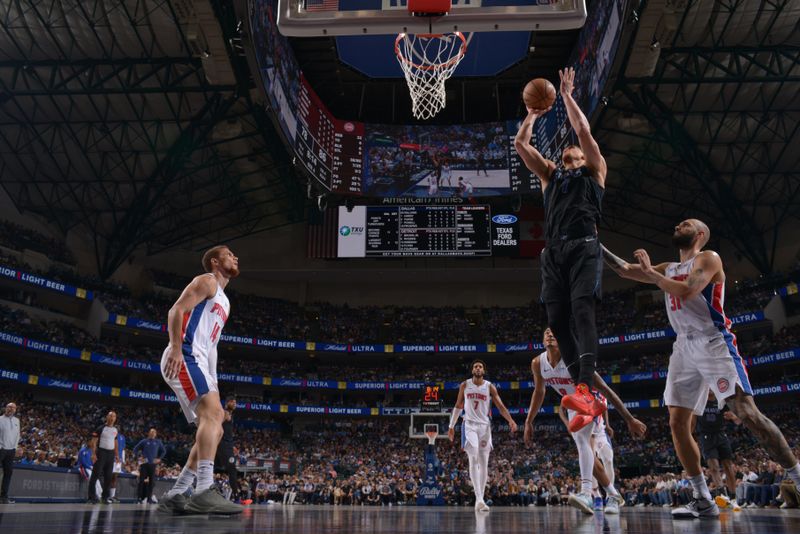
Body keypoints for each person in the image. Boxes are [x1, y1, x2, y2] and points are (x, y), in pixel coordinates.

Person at [602, 218, 800, 519]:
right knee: (677, 423)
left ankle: (797, 477)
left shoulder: (709, 258)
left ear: (701, 234)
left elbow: (688, 291)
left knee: (748, 414)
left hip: (713, 341)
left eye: (688, 223)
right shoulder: (668, 267)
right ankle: (702, 497)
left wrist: (650, 275)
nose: (681, 223)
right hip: (683, 347)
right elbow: (622, 270)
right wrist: (593, 241)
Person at [513, 67, 608, 430]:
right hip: (553, 252)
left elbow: (583, 130)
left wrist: (566, 96)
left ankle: (585, 390)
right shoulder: (550, 175)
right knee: (555, 320)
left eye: (577, 153)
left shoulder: (594, 171)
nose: (573, 151)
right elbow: (522, 146)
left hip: (584, 245)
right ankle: (582, 389)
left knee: (583, 310)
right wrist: (533, 115)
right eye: (569, 152)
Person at [524, 328, 646, 514]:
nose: (550, 334)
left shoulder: (575, 360)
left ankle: (587, 494)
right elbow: (539, 392)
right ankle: (613, 495)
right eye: (546, 333)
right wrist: (528, 421)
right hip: (573, 406)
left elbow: (605, 388)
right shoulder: (537, 363)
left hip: (590, 401)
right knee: (588, 455)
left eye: (555, 333)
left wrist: (629, 418)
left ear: (563, 338)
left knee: (584, 443)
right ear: (542, 341)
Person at [158, 245, 243, 515]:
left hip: (202, 362)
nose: (236, 257)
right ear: (216, 262)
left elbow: (213, 346)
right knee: (212, 417)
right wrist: (174, 347)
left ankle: (177, 493)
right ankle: (205, 489)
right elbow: (176, 310)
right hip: (184, 355)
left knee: (215, 428)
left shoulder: (226, 301)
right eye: (230, 254)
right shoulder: (206, 281)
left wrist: (215, 384)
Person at [447, 360, 518, 512]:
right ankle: (478, 499)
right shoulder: (465, 385)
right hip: (470, 425)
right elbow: (458, 405)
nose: (478, 368)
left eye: (480, 367)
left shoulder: (489, 386)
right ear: (472, 370)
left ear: (483, 371)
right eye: (475, 366)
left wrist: (510, 420)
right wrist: (451, 426)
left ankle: (481, 498)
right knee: (473, 458)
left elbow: (500, 405)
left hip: (485, 427)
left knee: (484, 462)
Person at [695, 391, 742, 511]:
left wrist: (734, 416)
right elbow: (692, 420)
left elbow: (738, 421)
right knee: (714, 467)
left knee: (729, 467)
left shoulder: (722, 401)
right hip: (706, 437)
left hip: (721, 435)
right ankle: (722, 494)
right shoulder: (699, 400)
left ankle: (733, 498)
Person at [88, 411, 118, 504]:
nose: (112, 417)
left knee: (108, 477)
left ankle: (105, 498)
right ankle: (91, 497)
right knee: (95, 475)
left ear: (115, 418)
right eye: (110, 415)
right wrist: (93, 454)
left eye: (114, 416)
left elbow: (115, 443)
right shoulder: (100, 428)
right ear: (107, 417)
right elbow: (93, 442)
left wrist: (117, 455)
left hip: (111, 454)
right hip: (101, 453)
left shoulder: (115, 430)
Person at [133, 428, 166, 504]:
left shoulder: (158, 442)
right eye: (151, 432)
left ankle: (149, 498)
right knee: (141, 481)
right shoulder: (144, 441)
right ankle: (139, 498)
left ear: (156, 434)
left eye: (154, 432)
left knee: (151, 482)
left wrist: (159, 459)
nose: (152, 433)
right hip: (144, 464)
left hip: (152, 465)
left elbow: (164, 451)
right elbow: (135, 449)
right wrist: (138, 456)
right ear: (149, 433)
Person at [214, 398, 239, 501]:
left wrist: (232, 445)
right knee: (232, 469)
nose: (234, 404)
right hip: (223, 446)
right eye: (232, 402)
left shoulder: (230, 414)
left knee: (220, 468)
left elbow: (227, 432)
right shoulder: (224, 413)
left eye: (235, 402)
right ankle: (236, 495)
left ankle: (233, 494)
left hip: (227, 445)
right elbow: (216, 426)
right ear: (227, 402)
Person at [0, 402, 20, 504]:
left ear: (15, 410)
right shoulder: (0, 419)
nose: (11, 409)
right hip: (1, 449)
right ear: (5, 408)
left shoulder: (17, 421)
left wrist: (15, 448)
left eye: (13, 407)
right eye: (9, 407)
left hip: (11, 451)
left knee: (8, 473)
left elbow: (17, 435)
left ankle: (4, 496)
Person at [109, 429, 126, 501]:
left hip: (119, 461)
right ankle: (106, 495)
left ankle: (112, 496)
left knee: (115, 477)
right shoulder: (111, 436)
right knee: (109, 477)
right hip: (112, 458)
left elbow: (123, 449)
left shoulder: (122, 437)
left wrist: (123, 459)